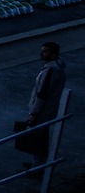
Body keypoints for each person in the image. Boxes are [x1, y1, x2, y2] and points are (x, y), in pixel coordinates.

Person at [26, 42, 67, 172]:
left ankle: (38, 167)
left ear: (53, 54)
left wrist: (33, 112)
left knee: (39, 137)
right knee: (40, 136)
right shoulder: (56, 68)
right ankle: (37, 164)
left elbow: (42, 94)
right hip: (48, 109)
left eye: (45, 51)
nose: (41, 54)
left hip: (43, 111)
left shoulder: (50, 71)